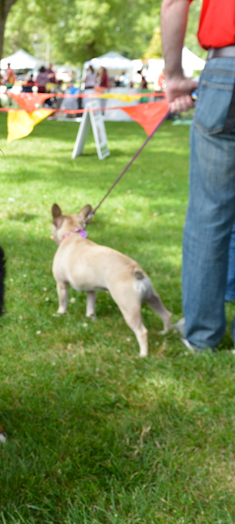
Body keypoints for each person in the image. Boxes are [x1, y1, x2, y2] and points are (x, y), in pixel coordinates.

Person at [161, 0, 235, 351]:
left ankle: (202, 334)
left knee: (210, 211)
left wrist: (174, 76)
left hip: (227, 67)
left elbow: (174, 2)